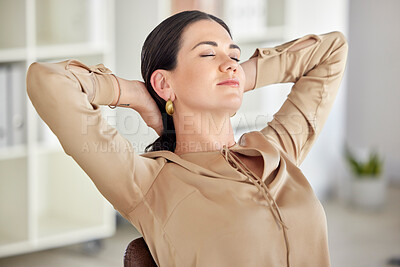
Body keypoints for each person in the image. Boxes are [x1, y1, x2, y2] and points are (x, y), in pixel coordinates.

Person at [26, 10, 348, 267]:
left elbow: (332, 51)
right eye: (208, 55)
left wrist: (238, 75)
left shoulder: (275, 151)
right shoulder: (149, 184)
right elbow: (47, 81)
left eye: (233, 55)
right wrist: (135, 94)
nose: (230, 63)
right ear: (164, 84)